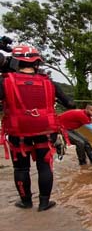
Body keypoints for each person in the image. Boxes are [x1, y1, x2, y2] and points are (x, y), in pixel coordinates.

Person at [0, 45, 75, 211]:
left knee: (21, 168)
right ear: (36, 62)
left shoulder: (5, 81)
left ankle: (26, 202)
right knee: (44, 167)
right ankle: (44, 203)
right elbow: (70, 104)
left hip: (18, 132)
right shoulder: (49, 82)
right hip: (46, 131)